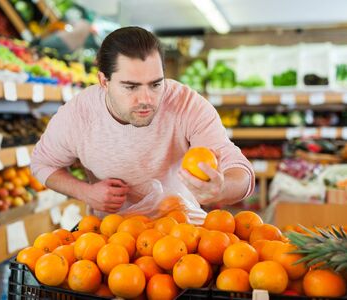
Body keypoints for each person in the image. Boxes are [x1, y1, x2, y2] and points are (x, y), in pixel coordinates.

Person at [31, 26, 255, 221]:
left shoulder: (186, 104)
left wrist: (222, 188)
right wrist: (85, 192)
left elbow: (240, 170)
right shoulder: (78, 114)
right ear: (103, 81)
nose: (146, 99)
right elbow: (42, 163)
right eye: (131, 87)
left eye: (156, 84)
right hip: (113, 243)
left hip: (182, 235)